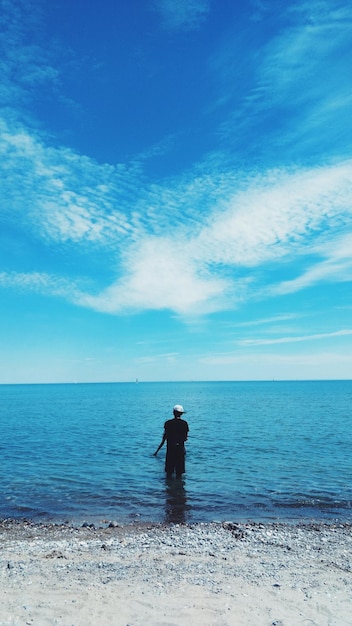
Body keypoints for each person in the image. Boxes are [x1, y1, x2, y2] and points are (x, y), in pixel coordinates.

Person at [154, 404, 189, 478]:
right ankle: (178, 488)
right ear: (182, 414)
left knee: (169, 473)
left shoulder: (168, 423)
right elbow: (185, 438)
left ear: (173, 412)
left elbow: (164, 438)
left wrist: (156, 452)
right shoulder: (184, 424)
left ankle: (168, 487)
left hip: (170, 450)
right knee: (179, 474)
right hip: (180, 450)